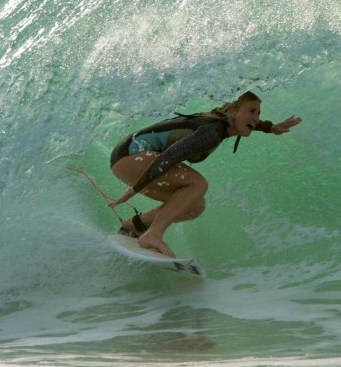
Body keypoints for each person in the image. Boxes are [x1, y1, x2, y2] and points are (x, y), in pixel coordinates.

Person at [108, 91, 302, 257]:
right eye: (251, 111)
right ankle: (154, 234)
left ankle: (134, 226)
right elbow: (169, 157)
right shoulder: (211, 133)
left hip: (134, 160)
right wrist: (133, 190)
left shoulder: (223, 125)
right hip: (130, 155)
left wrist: (270, 127)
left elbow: (249, 122)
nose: (256, 118)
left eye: (258, 113)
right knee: (198, 184)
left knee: (194, 206)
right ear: (233, 111)